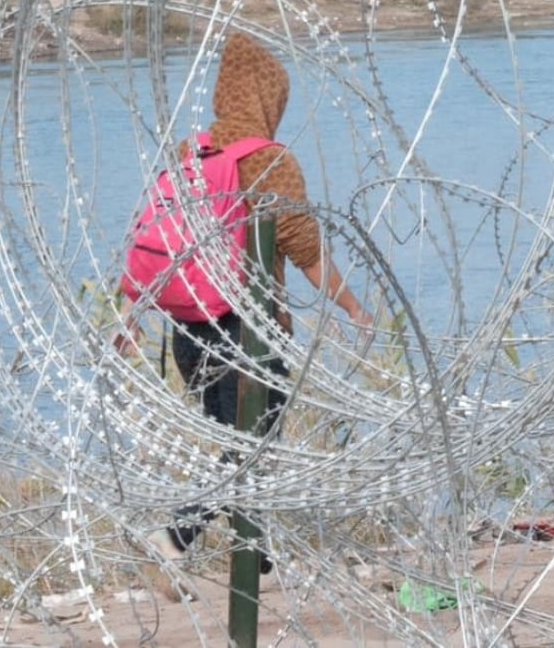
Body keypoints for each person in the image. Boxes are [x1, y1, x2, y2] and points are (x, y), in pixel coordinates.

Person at [116, 31, 370, 564]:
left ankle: (256, 559)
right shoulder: (270, 160)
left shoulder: (192, 151)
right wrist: (352, 307)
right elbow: (305, 251)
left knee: (241, 444)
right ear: (268, 98)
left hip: (189, 327)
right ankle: (176, 536)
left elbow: (156, 234)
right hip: (247, 328)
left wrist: (131, 313)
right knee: (252, 444)